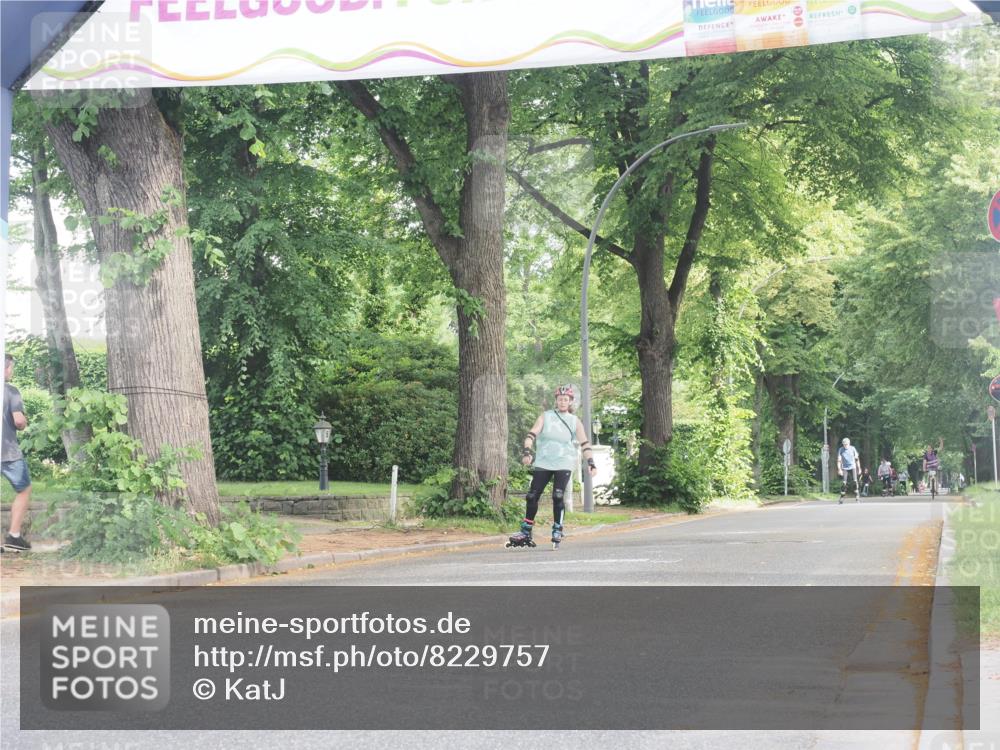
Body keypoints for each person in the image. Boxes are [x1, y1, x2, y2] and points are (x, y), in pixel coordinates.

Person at [508, 385, 597, 548]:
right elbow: (531, 435)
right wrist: (527, 451)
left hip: (564, 462)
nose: (562, 402)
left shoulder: (575, 421)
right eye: (560, 399)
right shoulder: (546, 416)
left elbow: (585, 443)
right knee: (532, 496)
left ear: (570, 402)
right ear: (556, 401)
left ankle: (557, 529)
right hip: (544, 461)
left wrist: (591, 462)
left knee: (557, 495)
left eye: (566, 399)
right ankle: (526, 531)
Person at [2, 354, 33, 551]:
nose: (11, 372)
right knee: (24, 489)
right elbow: (19, 421)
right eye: (10, 368)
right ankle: (13, 537)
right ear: (5, 369)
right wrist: (23, 423)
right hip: (7, 452)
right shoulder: (11, 391)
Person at [837, 437, 861, 504]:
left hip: (853, 467)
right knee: (844, 483)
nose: (845, 446)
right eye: (844, 444)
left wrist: (859, 468)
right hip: (845, 468)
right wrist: (839, 469)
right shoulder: (841, 449)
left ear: (849, 443)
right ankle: (842, 497)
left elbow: (857, 459)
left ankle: (857, 496)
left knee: (855, 481)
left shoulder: (853, 448)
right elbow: (839, 460)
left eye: (846, 444)